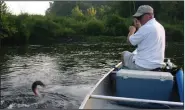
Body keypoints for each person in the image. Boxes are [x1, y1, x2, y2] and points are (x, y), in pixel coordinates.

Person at [122, 5, 166, 71]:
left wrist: (132, 30)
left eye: (140, 17)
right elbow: (143, 37)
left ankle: (125, 75)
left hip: (143, 66)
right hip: (158, 65)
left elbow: (129, 42)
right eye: (138, 17)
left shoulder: (146, 28)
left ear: (150, 16)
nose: (139, 19)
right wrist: (139, 27)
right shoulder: (160, 26)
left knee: (124, 54)